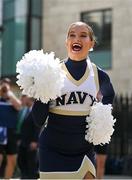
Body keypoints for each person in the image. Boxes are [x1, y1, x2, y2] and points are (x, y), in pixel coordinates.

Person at [32, 21, 115, 179]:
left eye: (83, 35)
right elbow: (38, 119)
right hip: (52, 151)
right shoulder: (52, 72)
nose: (77, 38)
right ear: (67, 42)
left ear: (91, 43)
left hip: (84, 151)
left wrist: (100, 121)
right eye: (72, 35)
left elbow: (108, 104)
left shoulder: (100, 76)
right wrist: (41, 90)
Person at [0, 78, 21, 178]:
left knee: (12, 160)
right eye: (3, 84)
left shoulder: (12, 99)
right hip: (0, 131)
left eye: (7, 84)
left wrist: (9, 93)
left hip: (11, 132)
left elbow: (18, 106)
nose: (4, 87)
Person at [17, 96, 40, 179]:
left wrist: (35, 141)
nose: (21, 99)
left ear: (29, 98)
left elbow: (38, 127)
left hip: (32, 143)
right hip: (23, 142)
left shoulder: (35, 111)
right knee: (22, 162)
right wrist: (19, 139)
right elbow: (22, 126)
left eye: (23, 97)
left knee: (32, 166)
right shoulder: (25, 110)